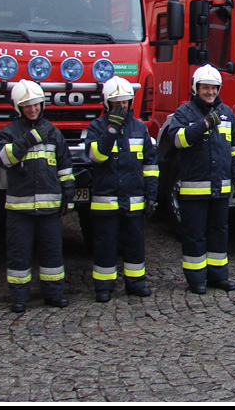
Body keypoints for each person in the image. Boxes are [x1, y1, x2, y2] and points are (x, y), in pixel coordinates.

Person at [0, 79, 75, 313]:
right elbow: (3, 159)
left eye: (36, 104)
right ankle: (19, 297)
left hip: (49, 209)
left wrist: (68, 195)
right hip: (20, 211)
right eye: (27, 105)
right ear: (18, 107)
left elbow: (65, 167)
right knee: (19, 255)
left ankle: (54, 295)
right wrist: (30, 139)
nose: (33, 109)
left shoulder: (53, 132)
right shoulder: (7, 133)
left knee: (52, 253)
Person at [170, 64, 235, 294]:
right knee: (194, 235)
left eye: (214, 88)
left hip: (220, 188)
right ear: (196, 88)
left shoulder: (226, 113)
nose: (210, 92)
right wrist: (203, 125)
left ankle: (218, 276)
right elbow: (177, 140)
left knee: (219, 233)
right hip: (194, 190)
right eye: (205, 88)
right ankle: (196, 279)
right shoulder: (184, 113)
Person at [84, 76, 159, 302]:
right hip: (105, 200)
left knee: (134, 244)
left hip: (133, 199)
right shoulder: (96, 128)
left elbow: (150, 165)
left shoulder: (139, 128)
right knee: (105, 245)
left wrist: (151, 196)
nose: (122, 106)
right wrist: (111, 131)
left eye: (125, 102)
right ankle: (104, 287)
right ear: (107, 103)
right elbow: (96, 157)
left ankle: (135, 283)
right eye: (117, 102)